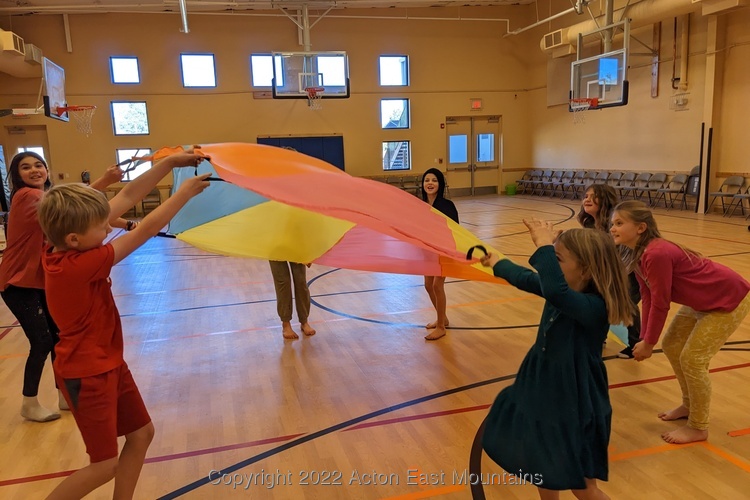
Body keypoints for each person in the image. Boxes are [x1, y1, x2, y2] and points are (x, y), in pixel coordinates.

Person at [38, 148, 209, 499]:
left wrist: (169, 163)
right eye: (102, 226)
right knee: (104, 464)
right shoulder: (77, 265)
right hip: (86, 372)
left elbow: (128, 195)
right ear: (75, 239)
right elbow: (144, 230)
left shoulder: (65, 243)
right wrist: (183, 194)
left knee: (141, 434)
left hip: (108, 363)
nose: (108, 227)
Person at [480, 222, 633, 499]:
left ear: (586, 270)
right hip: (545, 391)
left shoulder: (592, 307)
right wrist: (498, 262)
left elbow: (554, 290)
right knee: (544, 466)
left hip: (576, 401)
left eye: (557, 258)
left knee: (583, 487)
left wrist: (542, 245)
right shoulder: (562, 293)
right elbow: (528, 279)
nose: (549, 265)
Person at [0, 152, 128, 422]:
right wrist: (105, 180)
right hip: (18, 282)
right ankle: (29, 403)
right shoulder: (27, 197)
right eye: (26, 167)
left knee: (59, 339)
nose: (34, 170)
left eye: (39, 165)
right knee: (43, 341)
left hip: (40, 280)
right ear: (17, 175)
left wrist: (127, 223)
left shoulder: (45, 195)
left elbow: (88, 214)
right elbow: (75, 209)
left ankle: (65, 396)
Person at [610, 200, 750, 444]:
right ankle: (689, 405)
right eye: (613, 223)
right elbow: (647, 295)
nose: (613, 228)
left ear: (641, 228)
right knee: (674, 346)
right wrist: (645, 338)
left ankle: (698, 426)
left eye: (619, 223)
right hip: (701, 301)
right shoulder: (637, 253)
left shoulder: (656, 253)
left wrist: (649, 343)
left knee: (693, 360)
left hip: (729, 298)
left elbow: (662, 302)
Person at [578, 183, 641, 359]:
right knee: (603, 299)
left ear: (604, 199)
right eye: (586, 196)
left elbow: (618, 250)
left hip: (633, 267)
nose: (587, 199)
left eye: (593, 196)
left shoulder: (614, 221)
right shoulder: (590, 223)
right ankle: (599, 337)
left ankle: (635, 345)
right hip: (615, 268)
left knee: (628, 303)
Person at [420, 168, 458, 341]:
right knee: (428, 285)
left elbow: (455, 229)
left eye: (434, 180)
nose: (430, 183)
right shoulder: (421, 205)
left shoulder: (446, 205)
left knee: (437, 285)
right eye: (427, 180)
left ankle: (441, 326)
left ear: (440, 184)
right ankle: (443, 318)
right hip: (428, 250)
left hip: (444, 249)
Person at [269, 261, 316, 340]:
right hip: (275, 249)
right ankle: (286, 323)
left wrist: (309, 256)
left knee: (301, 281)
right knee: (283, 282)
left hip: (296, 249)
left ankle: (304, 321)